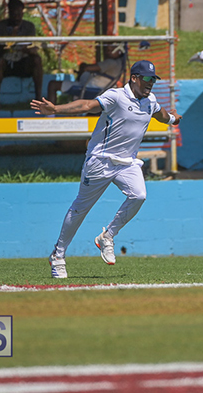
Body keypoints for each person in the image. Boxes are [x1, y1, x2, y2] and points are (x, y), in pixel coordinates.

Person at [30, 60, 181, 279]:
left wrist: (174, 119)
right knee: (80, 209)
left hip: (127, 163)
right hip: (101, 160)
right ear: (135, 78)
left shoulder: (150, 100)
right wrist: (55, 109)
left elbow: (162, 115)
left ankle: (107, 236)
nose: (150, 84)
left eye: (153, 80)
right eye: (147, 79)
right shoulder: (116, 96)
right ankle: (58, 255)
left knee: (139, 196)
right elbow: (86, 106)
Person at [0, 0, 43, 110]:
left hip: (23, 61)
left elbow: (32, 46)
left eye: (19, 14)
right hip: (6, 61)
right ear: (9, 12)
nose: (17, 17)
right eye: (14, 14)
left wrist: (27, 50)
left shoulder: (29, 27)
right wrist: (10, 43)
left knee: (37, 60)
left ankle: (38, 99)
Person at [46, 42, 124, 103]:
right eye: (107, 50)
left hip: (90, 87)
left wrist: (83, 68)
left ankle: (49, 115)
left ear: (118, 51)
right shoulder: (119, 63)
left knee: (53, 84)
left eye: (110, 50)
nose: (107, 53)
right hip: (97, 87)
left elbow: (89, 68)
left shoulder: (111, 63)